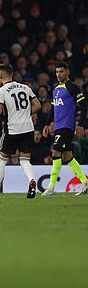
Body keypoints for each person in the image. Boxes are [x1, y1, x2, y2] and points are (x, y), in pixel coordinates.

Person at [0, 64, 41, 199]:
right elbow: (38, 105)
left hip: (12, 129)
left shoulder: (0, 91)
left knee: (2, 159)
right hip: (28, 129)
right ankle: (32, 180)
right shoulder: (25, 88)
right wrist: (25, 114)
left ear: (0, 76)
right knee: (25, 160)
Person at [41, 62, 88, 196]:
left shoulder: (72, 87)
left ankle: (50, 187)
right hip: (58, 126)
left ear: (67, 72)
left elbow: (84, 106)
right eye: (56, 72)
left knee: (55, 154)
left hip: (66, 126)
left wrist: (81, 125)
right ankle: (85, 182)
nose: (58, 74)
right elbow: (53, 109)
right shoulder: (56, 89)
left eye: (61, 71)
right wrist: (46, 124)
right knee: (67, 156)